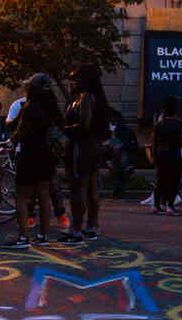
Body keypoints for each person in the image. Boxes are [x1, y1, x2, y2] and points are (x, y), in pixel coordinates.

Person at [5, 73, 60, 249]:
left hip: (29, 154)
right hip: (47, 155)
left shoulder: (29, 107)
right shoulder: (52, 107)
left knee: (22, 196)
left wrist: (11, 140)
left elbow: (18, 130)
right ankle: (43, 235)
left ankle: (23, 237)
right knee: (44, 195)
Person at [60, 64, 108, 243]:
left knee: (78, 188)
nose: (71, 82)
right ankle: (92, 225)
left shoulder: (85, 97)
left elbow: (83, 125)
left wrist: (63, 129)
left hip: (81, 148)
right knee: (91, 189)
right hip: (91, 147)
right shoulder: (92, 97)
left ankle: (76, 229)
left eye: (75, 78)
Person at [150, 96, 182, 216]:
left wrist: (154, 157)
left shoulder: (159, 124)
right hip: (174, 154)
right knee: (173, 180)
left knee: (160, 180)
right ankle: (170, 206)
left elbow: (154, 142)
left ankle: (156, 205)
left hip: (160, 154)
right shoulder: (178, 123)